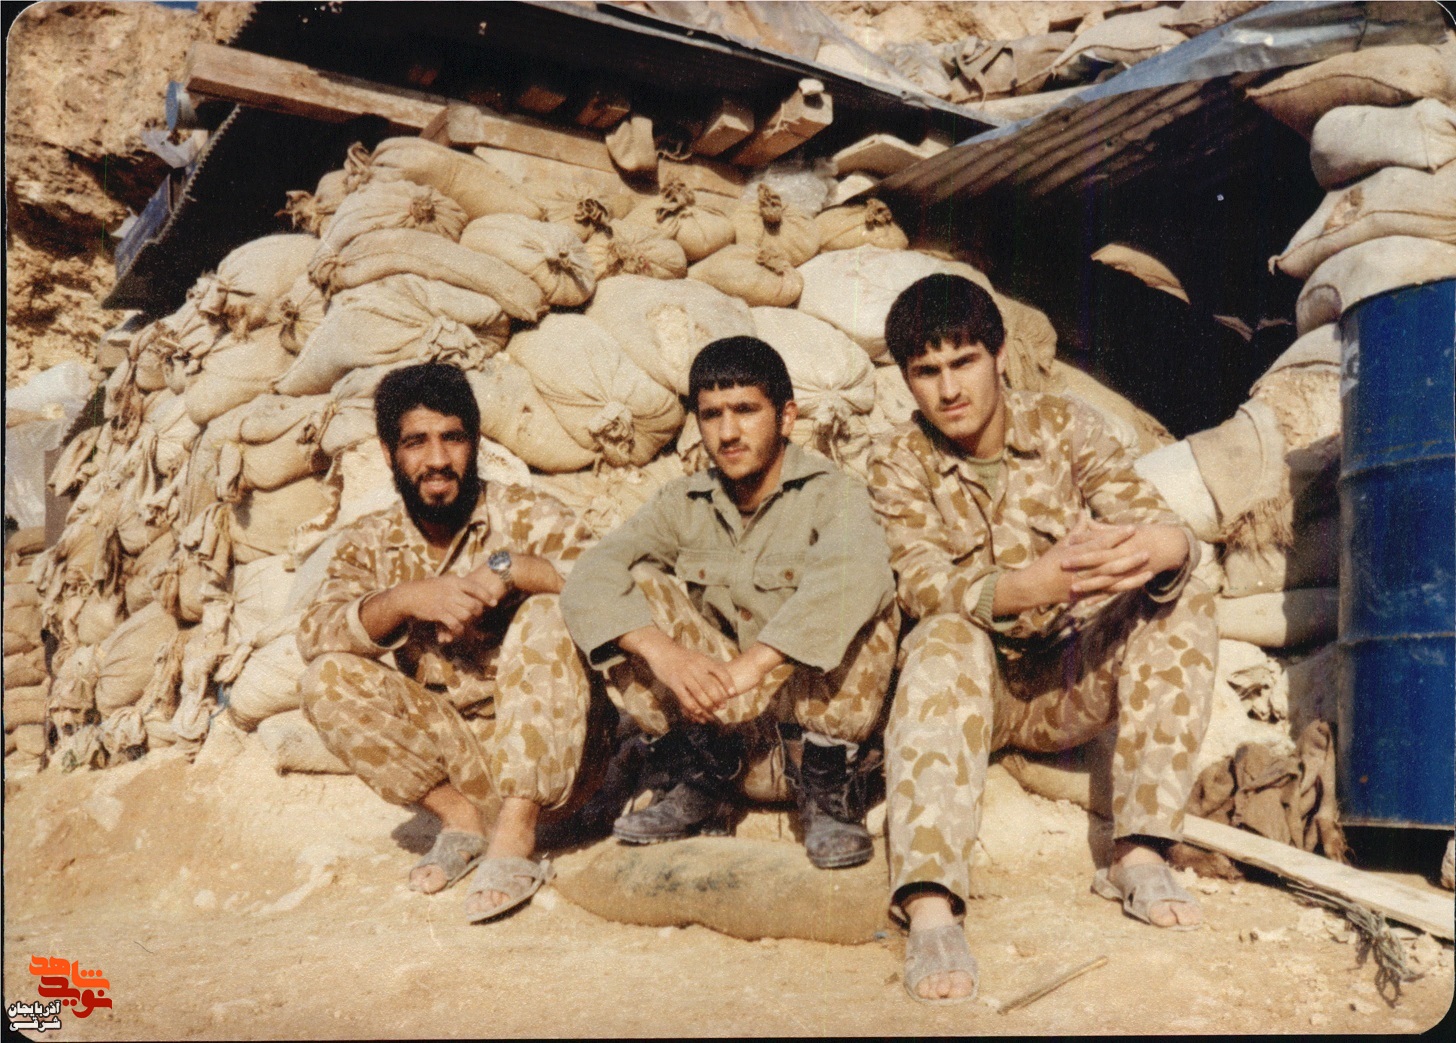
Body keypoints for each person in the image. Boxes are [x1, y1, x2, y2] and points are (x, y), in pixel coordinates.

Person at [868, 274, 1217, 1003]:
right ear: (906, 380)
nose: (948, 389)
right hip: (974, 687)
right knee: (940, 633)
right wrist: (1035, 582)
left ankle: (1138, 853)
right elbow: (919, 581)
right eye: (926, 371)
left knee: (1183, 591)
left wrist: (1164, 547)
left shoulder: (1067, 426)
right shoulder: (898, 459)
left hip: (1067, 679)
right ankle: (931, 907)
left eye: (963, 361)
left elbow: (1146, 515)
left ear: (1000, 356)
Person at [561, 336, 899, 869]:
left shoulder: (833, 494)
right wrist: (663, 653)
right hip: (726, 723)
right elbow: (590, 572)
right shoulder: (683, 501)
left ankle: (829, 792)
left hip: (810, 722)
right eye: (711, 414)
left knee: (868, 595)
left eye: (745, 410)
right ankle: (703, 779)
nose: (727, 432)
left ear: (786, 417)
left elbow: (855, 574)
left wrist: (754, 665)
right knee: (636, 582)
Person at [297, 362, 596, 923]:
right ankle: (463, 823)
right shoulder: (371, 542)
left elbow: (611, 585)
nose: (437, 460)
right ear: (388, 454)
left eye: (452, 438)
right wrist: (404, 600)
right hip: (466, 763)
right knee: (325, 678)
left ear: (475, 443)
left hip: (564, 765)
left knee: (548, 609)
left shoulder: (525, 515)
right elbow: (315, 632)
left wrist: (515, 572)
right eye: (416, 442)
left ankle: (515, 837)